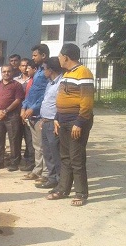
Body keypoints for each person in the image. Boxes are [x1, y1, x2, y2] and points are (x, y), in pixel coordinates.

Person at [47, 43, 94, 206]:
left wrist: (80, 123)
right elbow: (62, 98)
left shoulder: (83, 72)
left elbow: (87, 102)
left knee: (76, 158)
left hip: (76, 121)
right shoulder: (67, 74)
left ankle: (81, 193)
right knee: (65, 157)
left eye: (60, 56)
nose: (58, 59)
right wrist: (56, 118)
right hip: (63, 121)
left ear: (66, 57)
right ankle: (63, 189)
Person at [21, 44, 50, 183]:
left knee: (43, 146)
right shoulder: (37, 72)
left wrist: (33, 108)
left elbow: (45, 95)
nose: (33, 58)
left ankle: (45, 173)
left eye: (35, 55)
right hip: (31, 114)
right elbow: (32, 92)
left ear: (43, 56)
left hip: (39, 115)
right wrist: (24, 106)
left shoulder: (47, 72)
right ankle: (37, 170)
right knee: (36, 145)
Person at [0, 65, 25, 171]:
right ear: (1, 73)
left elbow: (18, 100)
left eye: (8, 71)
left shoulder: (17, 85)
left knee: (14, 140)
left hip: (12, 116)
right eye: (4, 71)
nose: (6, 73)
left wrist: (5, 111)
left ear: (12, 72)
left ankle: (14, 162)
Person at [38, 57, 63, 190]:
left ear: (51, 70)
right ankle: (52, 179)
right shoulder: (50, 83)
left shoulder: (61, 83)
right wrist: (43, 119)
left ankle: (61, 182)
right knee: (47, 152)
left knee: (56, 153)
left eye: (44, 68)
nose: (42, 71)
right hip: (46, 121)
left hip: (54, 123)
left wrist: (55, 120)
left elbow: (60, 105)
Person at [14, 58, 34, 171]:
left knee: (29, 138)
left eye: (27, 66)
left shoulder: (33, 79)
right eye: (22, 65)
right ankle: (16, 159)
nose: (24, 68)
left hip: (28, 112)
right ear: (19, 67)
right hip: (16, 112)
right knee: (16, 137)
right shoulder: (15, 80)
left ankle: (30, 160)